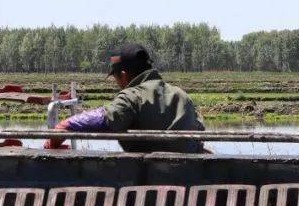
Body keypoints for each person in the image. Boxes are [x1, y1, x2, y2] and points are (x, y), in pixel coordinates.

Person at [47, 43, 206, 153]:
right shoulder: (182, 95)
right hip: (189, 173)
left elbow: (102, 118)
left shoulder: (132, 96)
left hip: (152, 178)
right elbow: (199, 132)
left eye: (115, 77)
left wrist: (59, 130)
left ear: (123, 75)